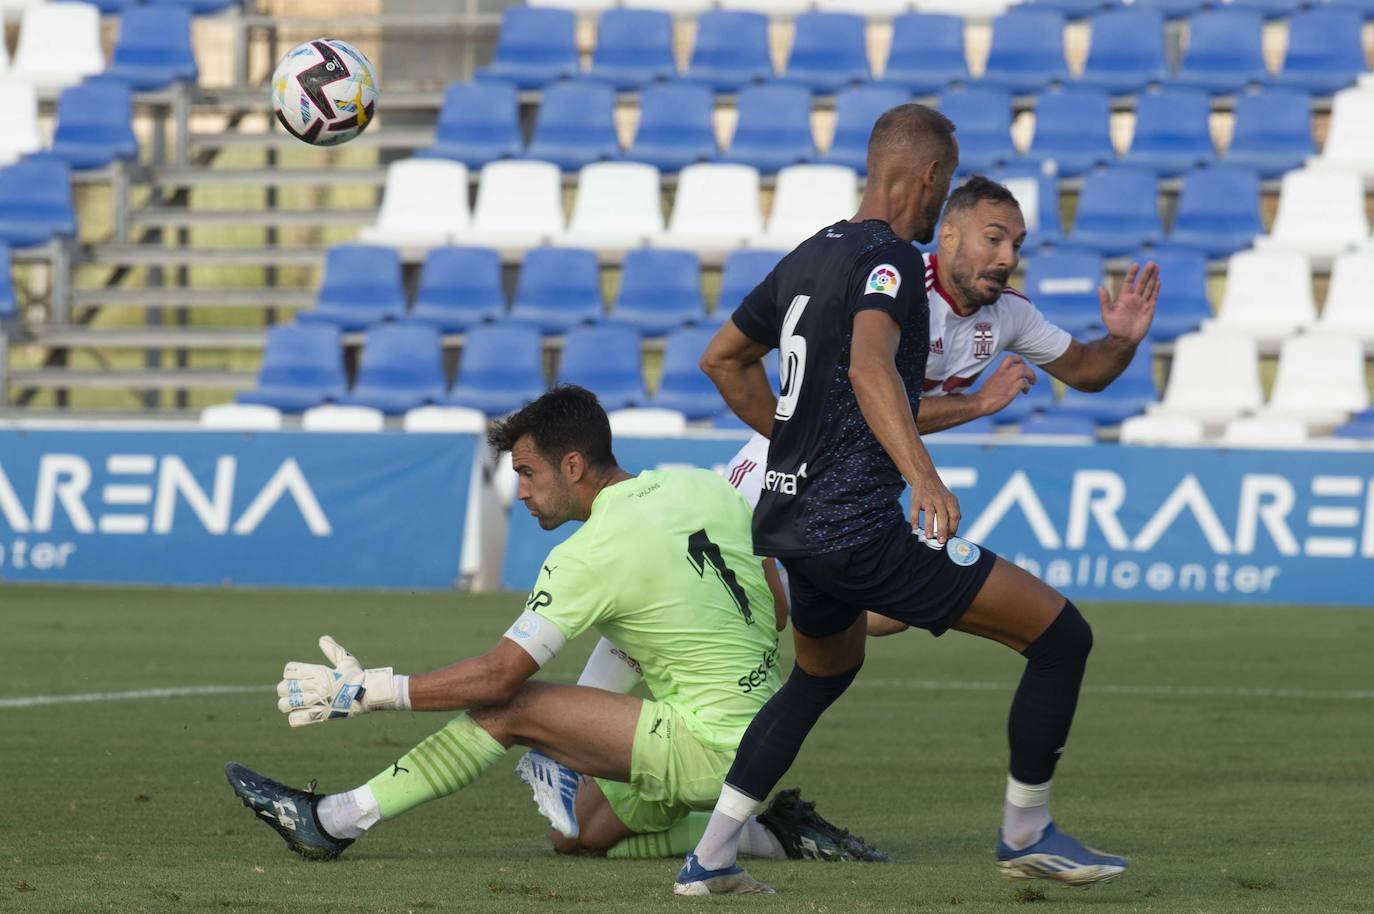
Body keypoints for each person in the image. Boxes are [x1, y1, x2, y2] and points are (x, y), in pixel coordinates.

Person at [673, 103, 1156, 896]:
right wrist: (922, 473)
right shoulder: (892, 261)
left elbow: (722, 359)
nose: (1004, 255)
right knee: (1062, 635)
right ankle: (1025, 831)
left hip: (794, 519)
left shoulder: (809, 254)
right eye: (988, 233)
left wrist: (802, 442)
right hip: (856, 526)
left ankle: (712, 857)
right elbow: (870, 371)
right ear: (932, 182)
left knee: (820, 678)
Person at [226, 386, 881, 867]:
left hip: (708, 747)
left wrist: (366, 691)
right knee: (577, 836)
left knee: (510, 707)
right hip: (765, 733)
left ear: (573, 466)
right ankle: (775, 834)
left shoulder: (591, 555)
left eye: (528, 474)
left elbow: (497, 674)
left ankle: (334, 821)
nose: (521, 493)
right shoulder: (698, 487)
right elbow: (775, 608)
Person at [721, 173, 1161, 637]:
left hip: (849, 487)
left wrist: (1121, 340)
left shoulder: (1009, 313)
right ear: (947, 236)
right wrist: (977, 404)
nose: (1007, 257)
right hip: (781, 466)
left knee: (881, 617)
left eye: (1016, 244)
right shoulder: (897, 284)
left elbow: (1088, 371)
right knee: (738, 620)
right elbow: (858, 403)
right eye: (993, 239)